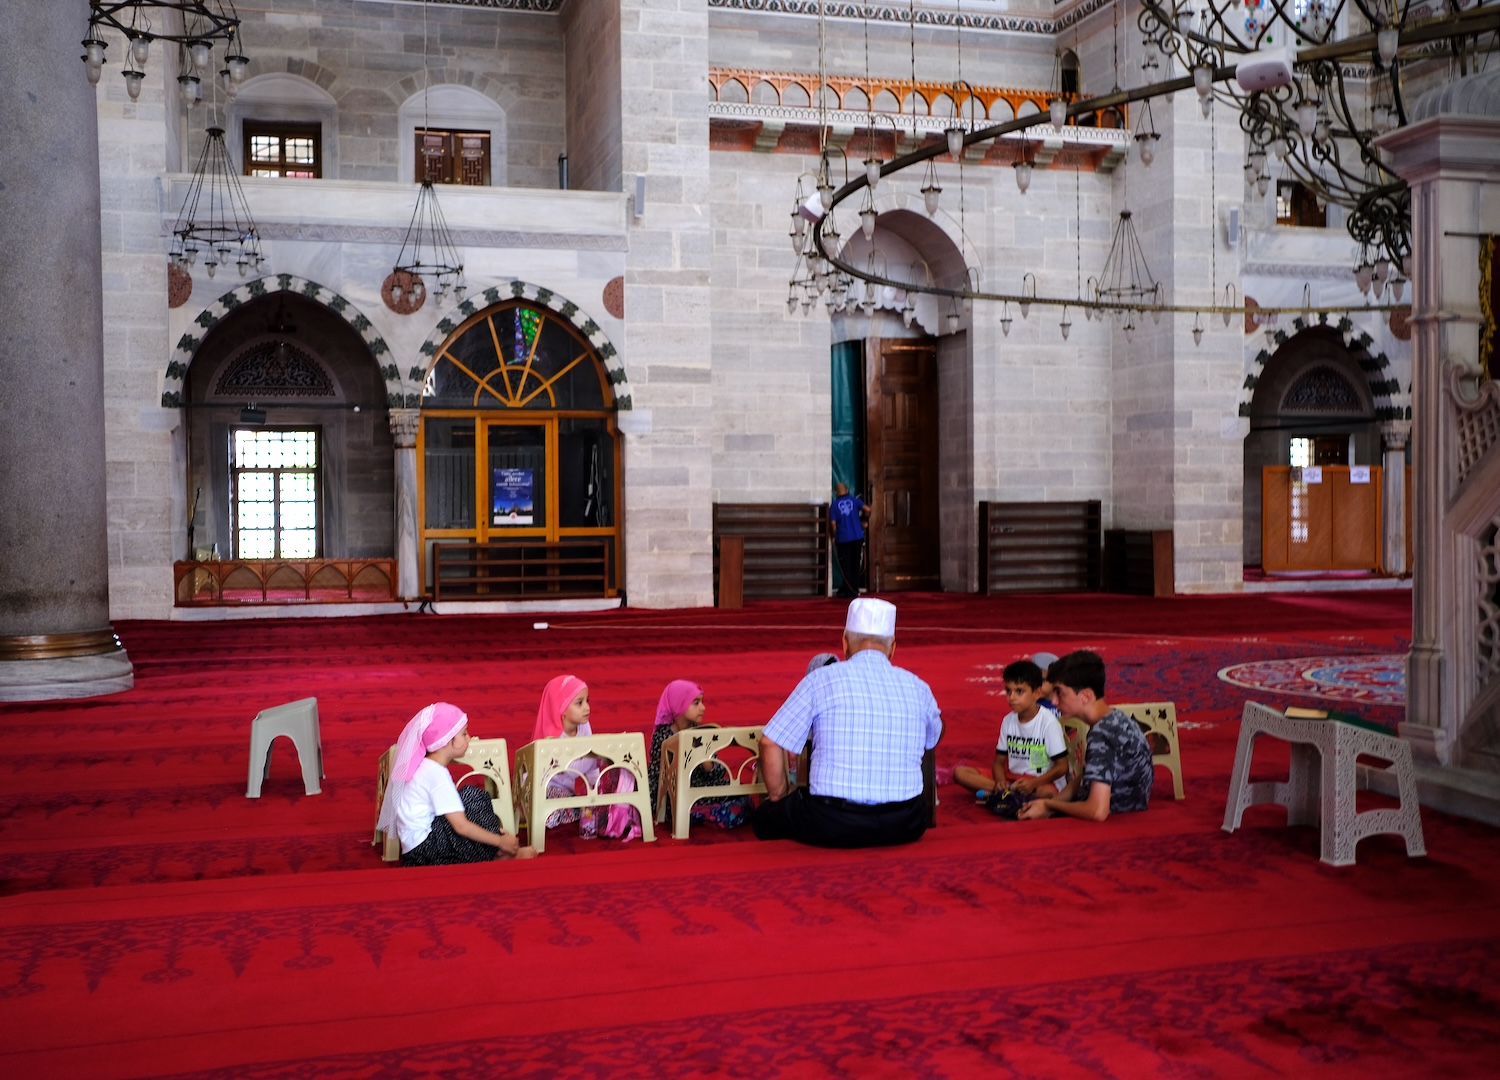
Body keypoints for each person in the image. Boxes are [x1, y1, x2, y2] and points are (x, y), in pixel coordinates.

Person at [753, 597, 943, 847]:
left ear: (845, 643)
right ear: (893, 647)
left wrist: (780, 797)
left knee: (764, 817)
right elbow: (934, 737)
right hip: (906, 823)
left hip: (831, 822)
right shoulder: (919, 687)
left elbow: (770, 742)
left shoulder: (821, 680)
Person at [377, 702, 536, 866]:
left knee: (466, 800)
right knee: (474, 797)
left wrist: (491, 830)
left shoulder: (425, 767)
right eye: (464, 734)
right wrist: (498, 840)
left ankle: (495, 848)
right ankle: (500, 854)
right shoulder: (436, 774)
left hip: (417, 850)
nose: (469, 738)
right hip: (427, 851)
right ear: (446, 741)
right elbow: (461, 826)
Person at [1018, 650, 1154, 822]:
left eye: (1059, 693)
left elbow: (1097, 811)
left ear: (1085, 696)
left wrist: (1049, 806)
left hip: (1114, 819)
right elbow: (1088, 776)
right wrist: (1049, 804)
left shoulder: (1102, 734)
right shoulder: (1115, 719)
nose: (1054, 701)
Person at [532, 675, 642, 841]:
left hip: (566, 790)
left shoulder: (584, 727)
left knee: (587, 807)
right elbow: (568, 769)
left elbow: (590, 766)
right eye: (579, 703)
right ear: (560, 708)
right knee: (554, 810)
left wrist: (595, 789)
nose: (587, 707)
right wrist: (598, 754)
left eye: (587, 701)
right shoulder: (552, 737)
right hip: (545, 787)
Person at [952, 658, 1068, 803]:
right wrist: (1001, 782)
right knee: (960, 773)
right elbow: (998, 763)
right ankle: (1007, 794)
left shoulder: (1048, 722)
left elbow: (1062, 767)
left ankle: (1001, 796)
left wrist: (1033, 783)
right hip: (1012, 779)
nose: (1011, 698)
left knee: (1047, 794)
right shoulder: (1008, 720)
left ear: (1037, 693)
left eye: (1019, 692)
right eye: (1008, 691)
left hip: (1039, 782)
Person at [646, 679, 752, 829]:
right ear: (679, 705)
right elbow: (663, 779)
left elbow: (717, 773)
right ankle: (704, 813)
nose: (703, 708)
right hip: (676, 793)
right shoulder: (663, 737)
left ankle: (708, 813)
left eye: (702, 702)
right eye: (696, 703)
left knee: (741, 791)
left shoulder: (700, 732)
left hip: (701, 787)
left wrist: (706, 761)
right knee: (681, 802)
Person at [828, 482, 870, 598]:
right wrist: (864, 521)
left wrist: (833, 536)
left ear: (835, 492)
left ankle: (848, 590)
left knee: (846, 566)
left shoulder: (834, 506)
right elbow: (867, 509)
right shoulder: (854, 500)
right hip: (857, 537)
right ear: (846, 490)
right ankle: (855, 589)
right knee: (856, 564)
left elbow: (833, 525)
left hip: (843, 539)